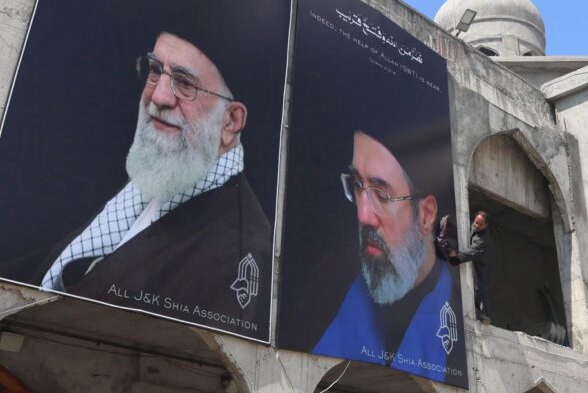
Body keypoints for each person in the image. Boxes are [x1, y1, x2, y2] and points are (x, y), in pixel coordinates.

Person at [37, 32, 271, 332]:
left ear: (230, 121)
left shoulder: (239, 251)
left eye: (184, 83)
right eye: (155, 70)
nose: (158, 97)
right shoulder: (156, 179)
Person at [313, 130, 465, 384]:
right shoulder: (323, 285)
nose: (363, 215)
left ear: (426, 215)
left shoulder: (460, 323)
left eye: (382, 195)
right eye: (357, 185)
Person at [450, 211, 492, 323]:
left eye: (480, 224)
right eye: (476, 222)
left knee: (480, 289)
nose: (476, 225)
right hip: (476, 260)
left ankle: (484, 315)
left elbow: (471, 252)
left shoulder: (483, 240)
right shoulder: (473, 226)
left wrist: (456, 256)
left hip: (482, 263)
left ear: (486, 225)